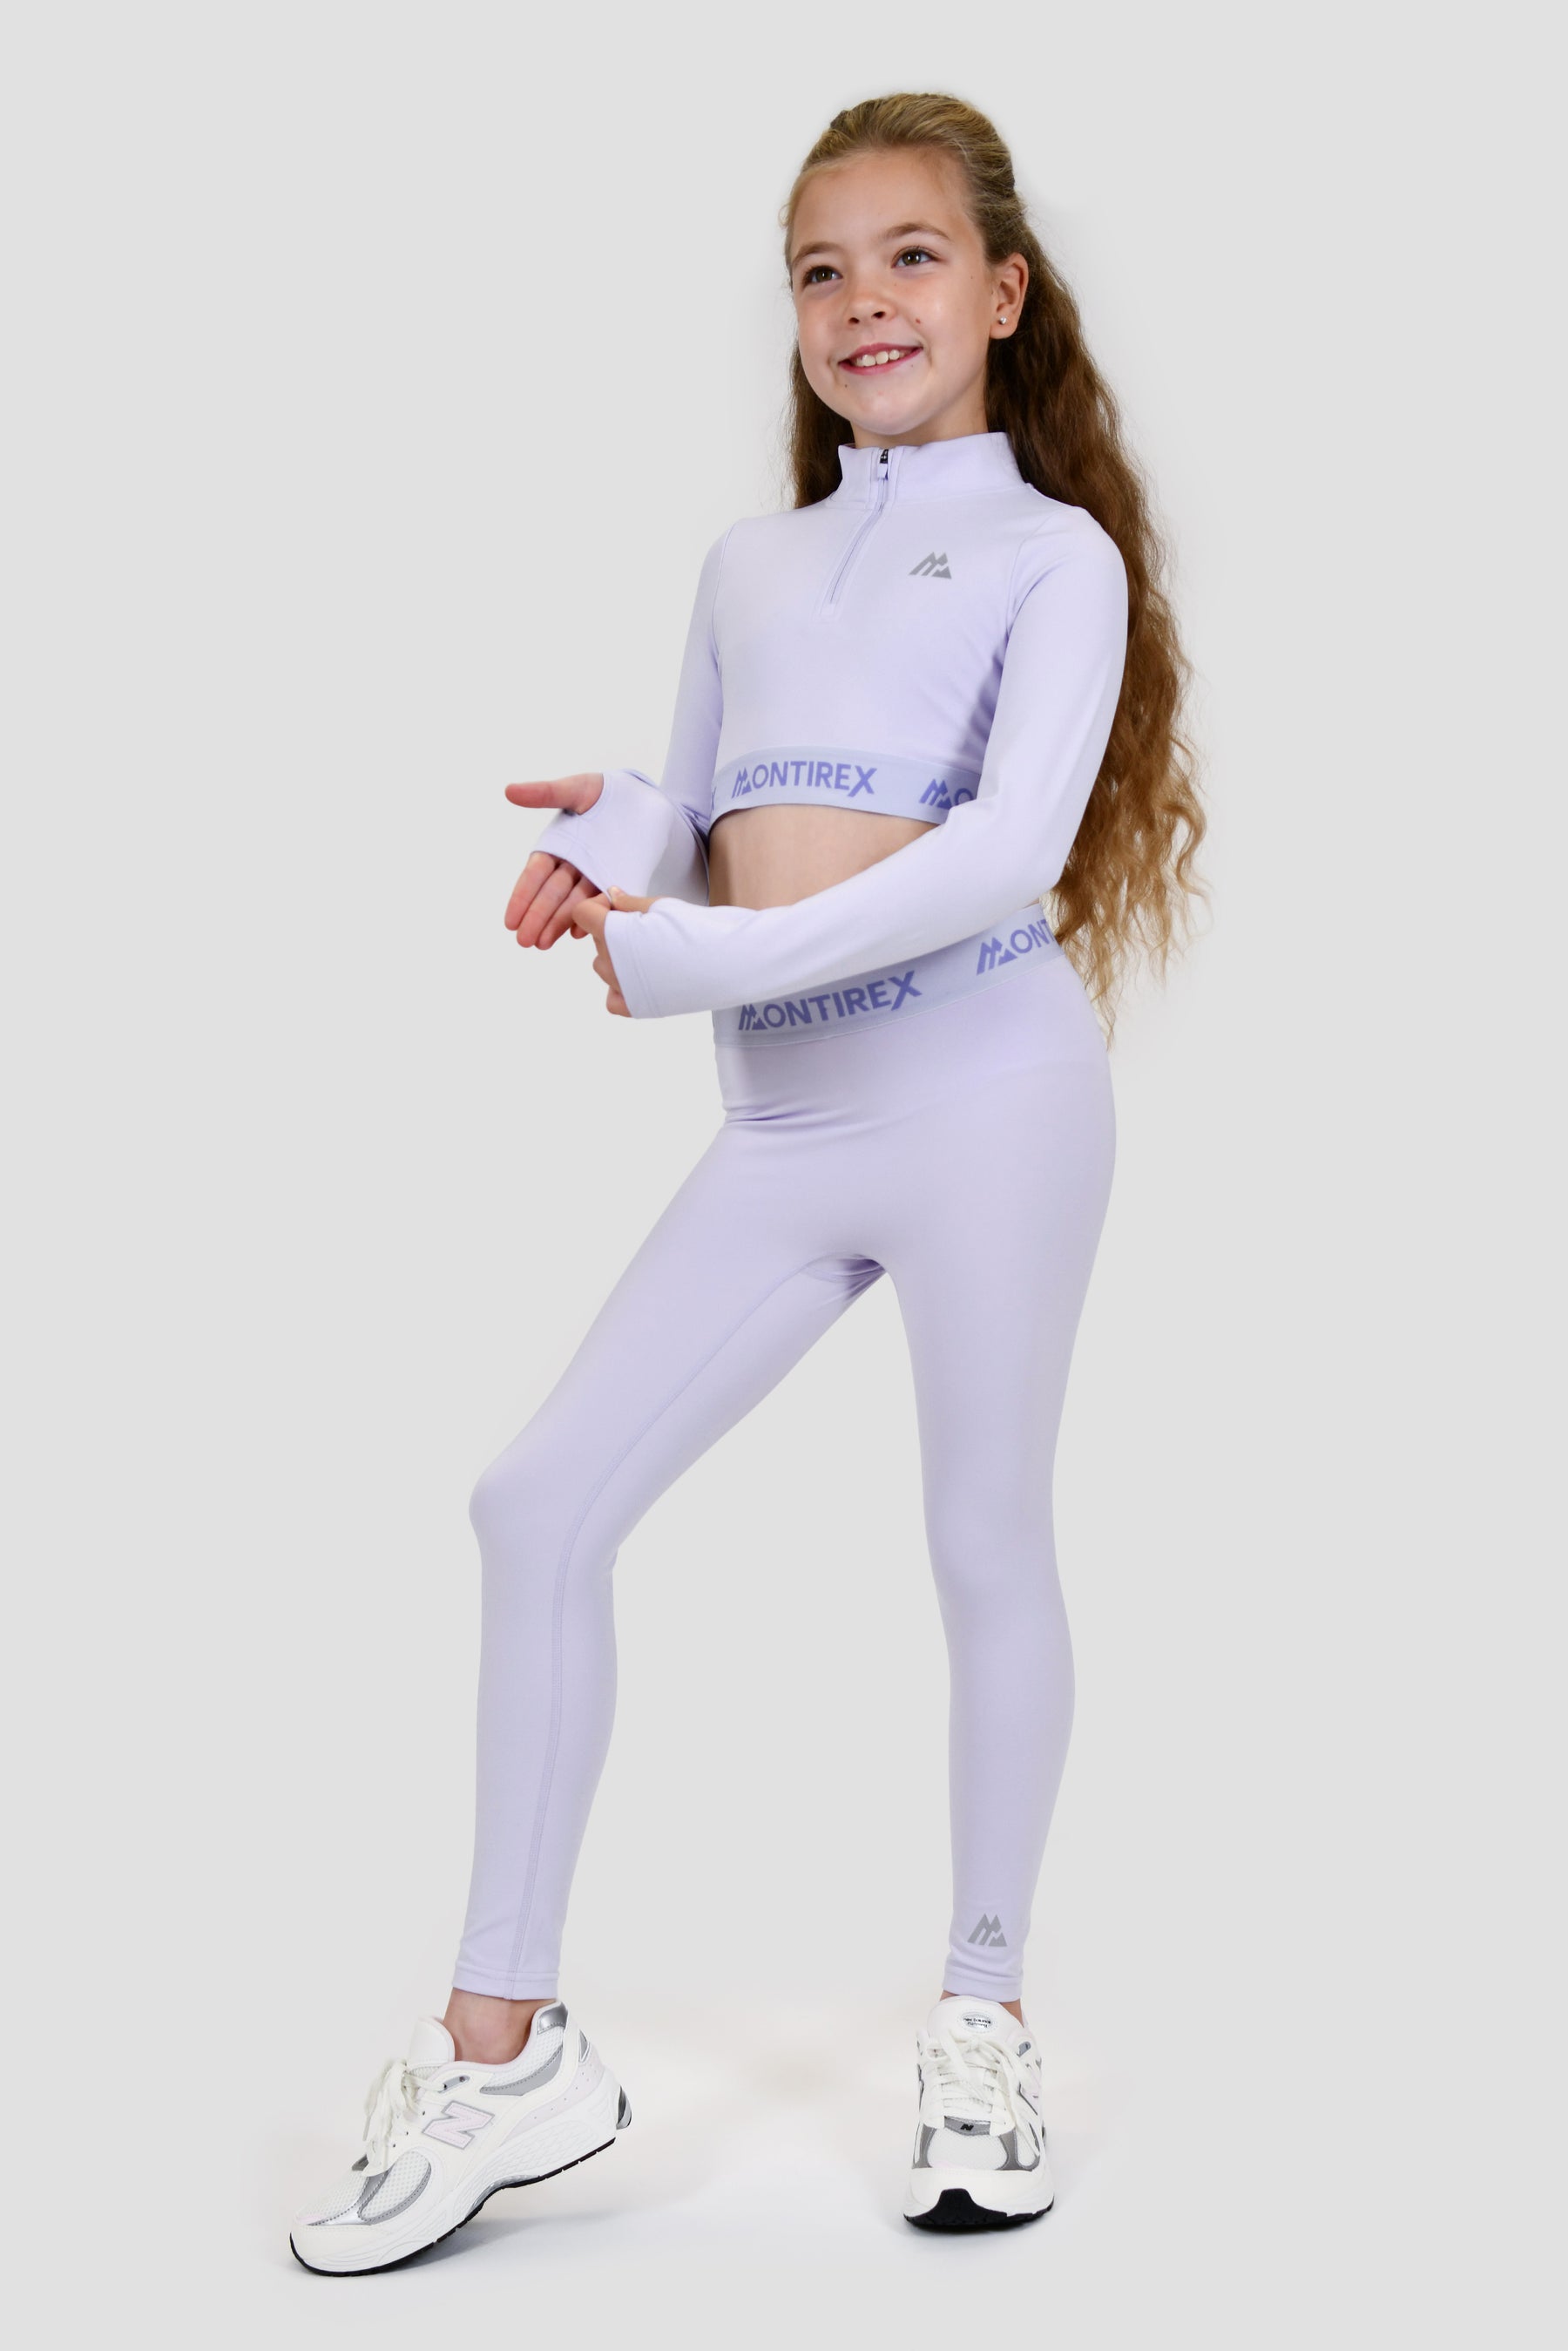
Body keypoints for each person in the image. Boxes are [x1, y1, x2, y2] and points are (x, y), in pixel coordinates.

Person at [289, 89, 1206, 2272]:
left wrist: (701, 955)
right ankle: (505, 2049)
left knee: (979, 1535)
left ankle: (982, 2014)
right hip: (786, 1126)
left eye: (911, 256)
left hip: (988, 1095)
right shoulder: (750, 561)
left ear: (1003, 292)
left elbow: (993, 854)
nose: (864, 301)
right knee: (537, 1501)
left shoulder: (1056, 558)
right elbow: (714, 815)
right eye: (821, 268)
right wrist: (625, 833)